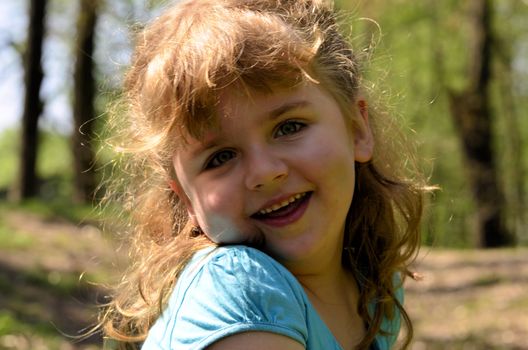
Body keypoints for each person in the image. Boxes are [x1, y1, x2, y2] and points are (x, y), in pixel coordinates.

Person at [100, 0, 427, 349]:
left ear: (357, 129)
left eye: (289, 127)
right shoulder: (238, 287)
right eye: (220, 157)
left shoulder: (374, 283)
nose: (265, 173)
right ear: (186, 198)